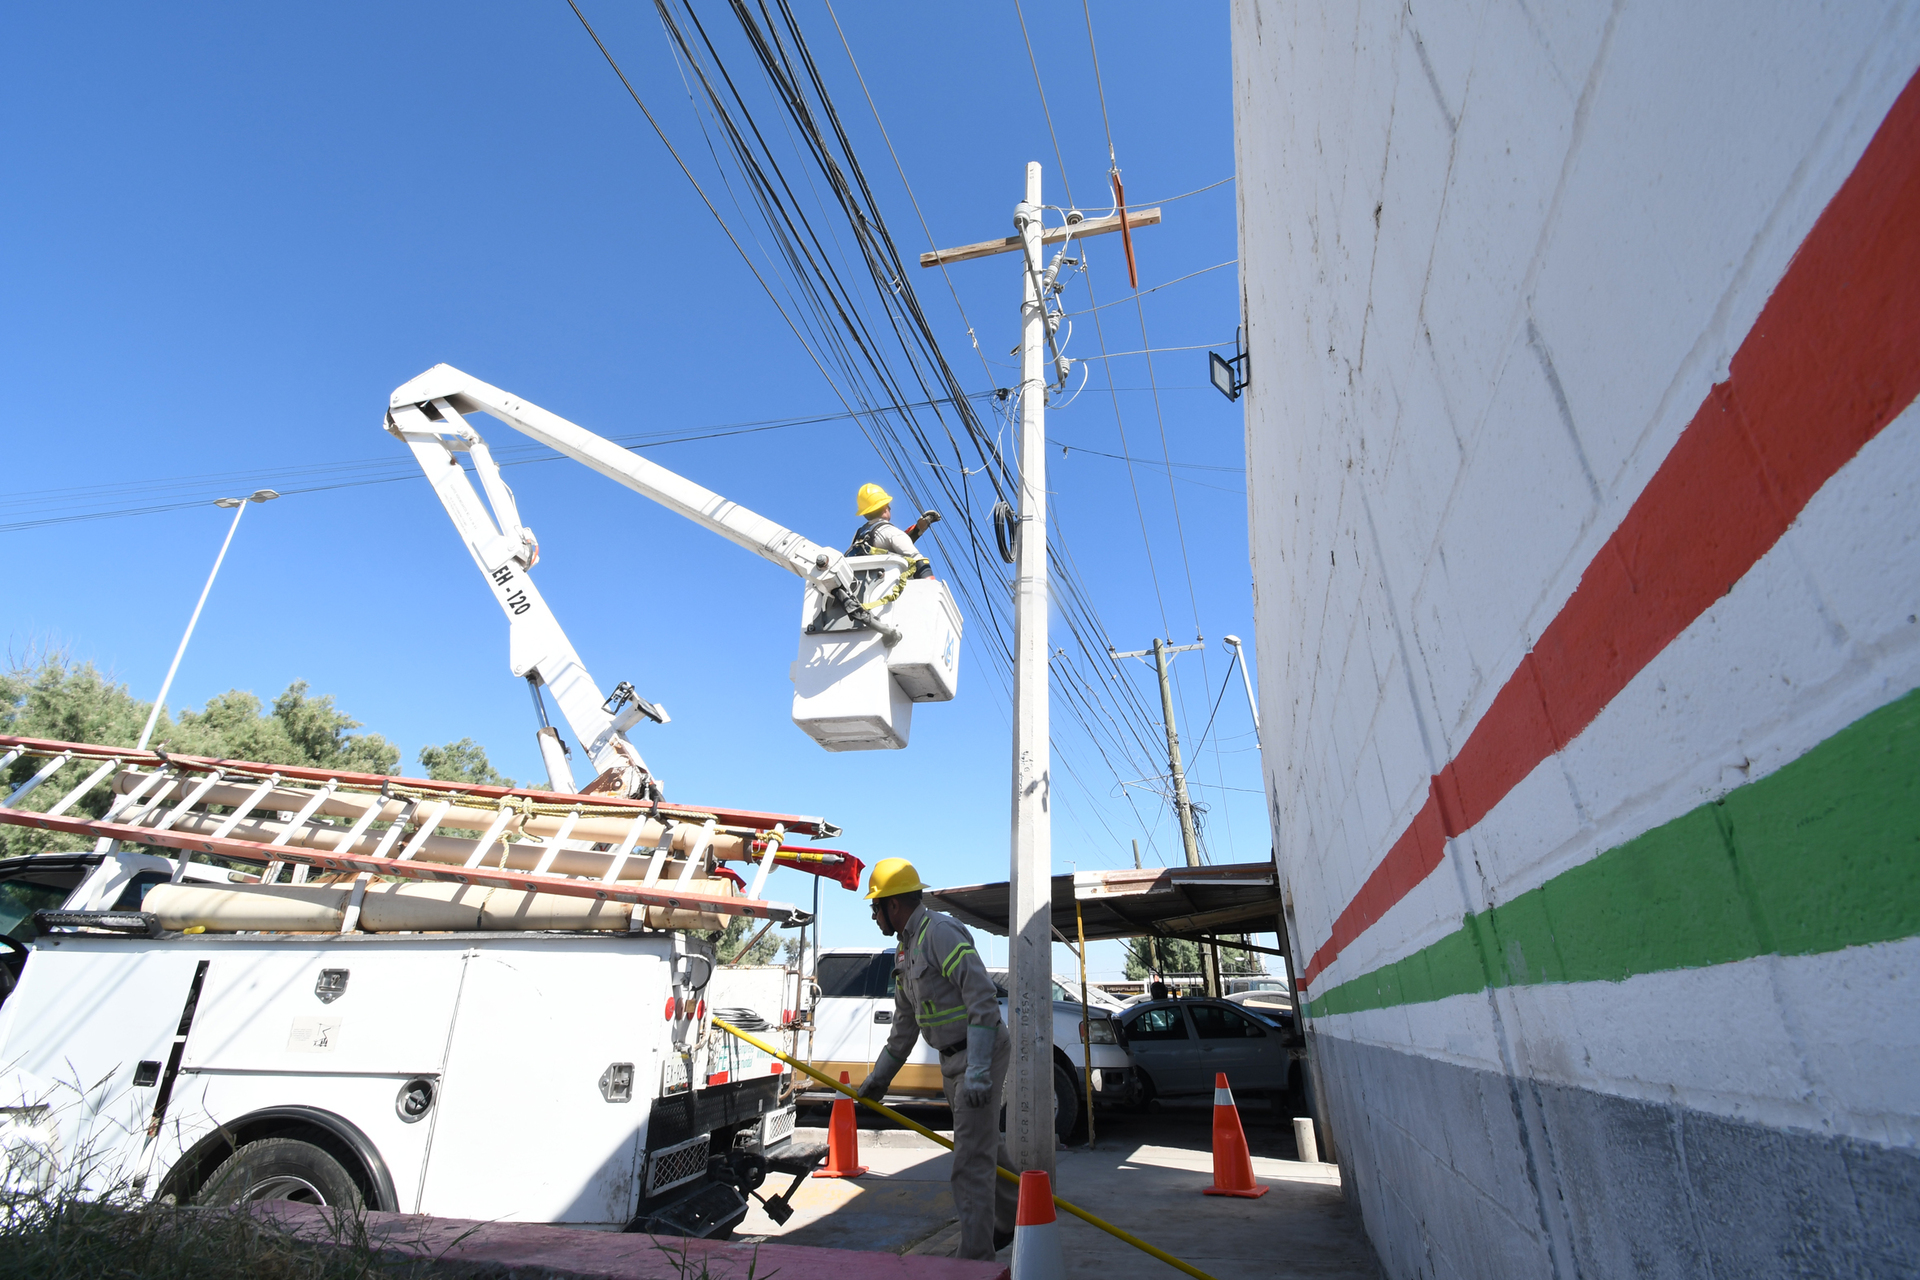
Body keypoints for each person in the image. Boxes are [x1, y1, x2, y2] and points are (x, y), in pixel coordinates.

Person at [857, 857, 1016, 1259]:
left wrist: (979, 1070)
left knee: (969, 1161)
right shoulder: (905, 952)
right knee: (985, 1148)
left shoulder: (941, 933)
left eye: (875, 906)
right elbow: (905, 1026)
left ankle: (975, 1257)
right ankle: (1025, 1216)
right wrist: (879, 1079)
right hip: (953, 1061)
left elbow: (982, 999)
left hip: (980, 1055)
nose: (874, 916)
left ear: (894, 905)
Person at [849, 483, 939, 578]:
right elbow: (917, 559)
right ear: (885, 508)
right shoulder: (891, 532)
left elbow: (886, 545)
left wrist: (917, 530)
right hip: (892, 588)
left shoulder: (859, 535)